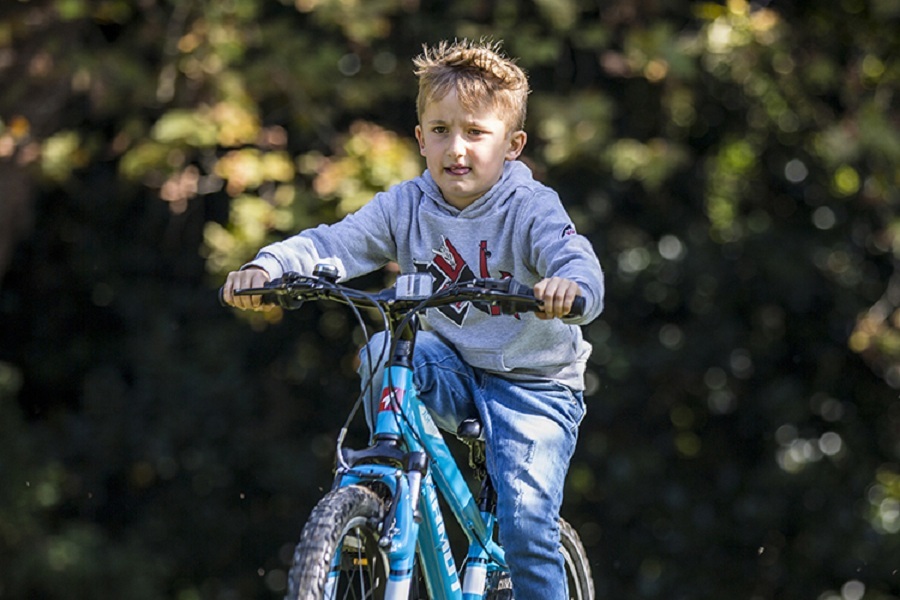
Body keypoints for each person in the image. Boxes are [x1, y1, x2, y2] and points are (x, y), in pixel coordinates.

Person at [222, 39, 604, 599]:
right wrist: (270, 266)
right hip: (448, 367)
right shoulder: (406, 205)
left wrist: (569, 287)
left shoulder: (530, 208)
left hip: (533, 384)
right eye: (442, 130)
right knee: (381, 351)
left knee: (526, 525)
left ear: (513, 146)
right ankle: (388, 487)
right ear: (421, 138)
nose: (458, 148)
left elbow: (575, 259)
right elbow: (335, 243)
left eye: (476, 132)